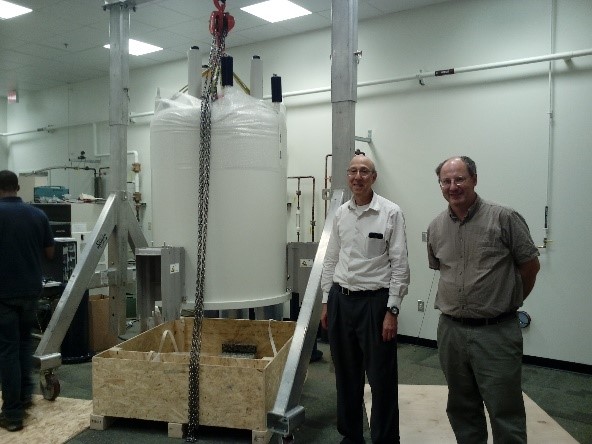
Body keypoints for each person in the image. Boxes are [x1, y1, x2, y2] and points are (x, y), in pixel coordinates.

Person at [427, 156, 540, 444]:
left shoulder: (504, 218)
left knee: (505, 410)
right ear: (440, 185)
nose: (453, 186)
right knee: (462, 407)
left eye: (460, 179)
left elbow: (530, 266)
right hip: (451, 331)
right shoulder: (437, 226)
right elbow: (443, 269)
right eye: (446, 181)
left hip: (496, 332)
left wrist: (509, 302)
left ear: (474, 179)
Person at [320, 154, 410, 444]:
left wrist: (392, 310)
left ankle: (385, 439)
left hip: (375, 304)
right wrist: (326, 300)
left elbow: (400, 265)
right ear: (347, 176)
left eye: (364, 171)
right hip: (340, 300)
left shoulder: (390, 212)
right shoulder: (341, 213)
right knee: (346, 375)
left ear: (374, 177)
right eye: (352, 171)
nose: (357, 177)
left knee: (381, 378)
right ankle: (351, 435)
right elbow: (331, 257)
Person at [0, 170, 55, 432]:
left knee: (7, 351)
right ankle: (24, 397)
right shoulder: (38, 214)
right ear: (18, 187)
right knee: (23, 345)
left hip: (3, 295)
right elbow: (50, 252)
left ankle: (12, 415)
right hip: (31, 291)